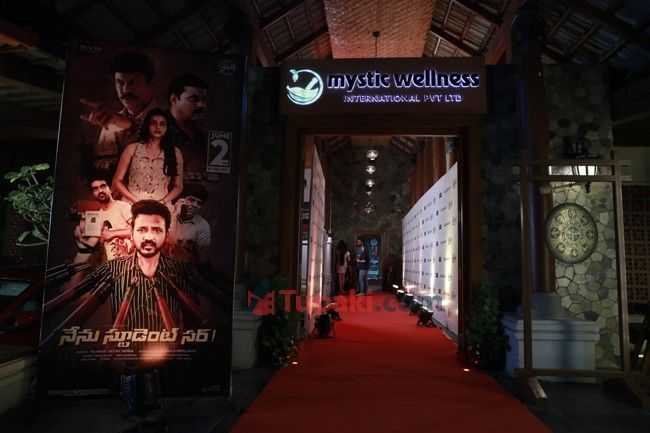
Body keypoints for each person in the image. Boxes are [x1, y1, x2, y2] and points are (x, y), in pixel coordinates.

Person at [80, 52, 159, 170]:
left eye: (133, 82)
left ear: (151, 83)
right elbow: (102, 168)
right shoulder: (111, 122)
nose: (126, 89)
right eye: (120, 83)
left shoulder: (170, 120)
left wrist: (129, 125)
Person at [113, 108, 183, 205]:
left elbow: (178, 186)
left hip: (160, 206)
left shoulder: (175, 152)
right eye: (153, 123)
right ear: (147, 125)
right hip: (132, 204)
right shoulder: (132, 149)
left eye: (162, 124)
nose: (158, 127)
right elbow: (117, 181)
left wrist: (163, 202)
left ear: (167, 127)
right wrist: (136, 201)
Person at [167, 73, 209, 180]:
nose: (201, 105)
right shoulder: (157, 130)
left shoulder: (201, 136)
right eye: (193, 99)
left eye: (203, 100)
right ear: (174, 99)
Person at [167, 183, 211, 264]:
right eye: (191, 200)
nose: (195, 205)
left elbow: (201, 258)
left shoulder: (203, 225)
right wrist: (175, 214)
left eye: (199, 203)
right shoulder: (167, 214)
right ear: (182, 199)